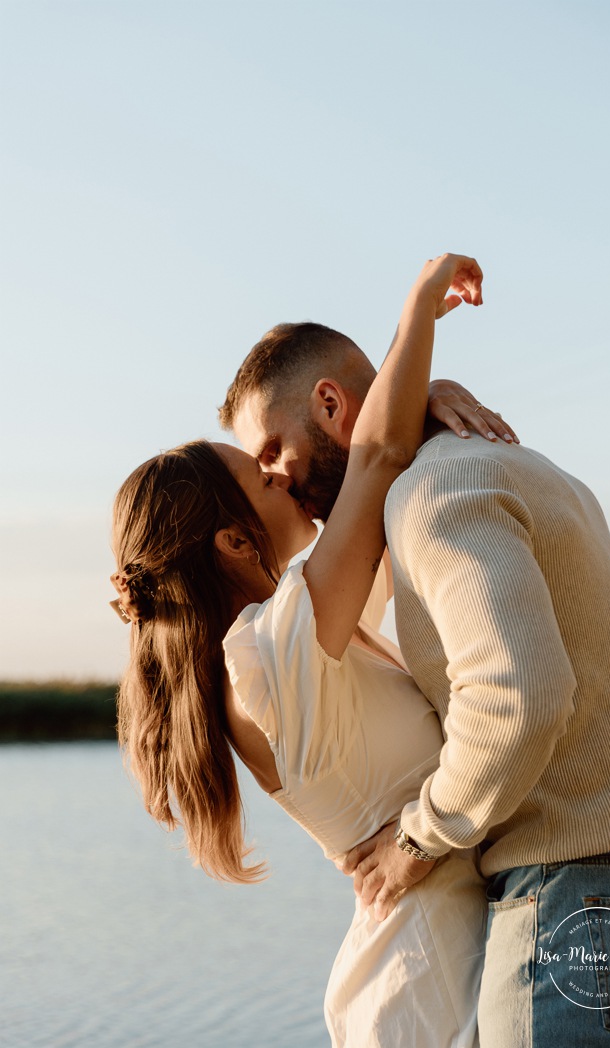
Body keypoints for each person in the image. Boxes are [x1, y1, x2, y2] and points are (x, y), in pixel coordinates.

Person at [220, 281, 610, 1046]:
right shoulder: (503, 464)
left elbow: (521, 697)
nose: (274, 475)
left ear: (330, 405)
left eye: (271, 448)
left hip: (581, 893)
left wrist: (418, 839)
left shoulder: (431, 496)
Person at [111, 254, 504, 1048]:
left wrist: (422, 406)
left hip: (446, 964)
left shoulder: (306, 638)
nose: (275, 472)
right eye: (256, 475)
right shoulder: (265, 659)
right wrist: (417, 315)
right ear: (231, 539)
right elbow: (374, 458)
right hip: (424, 992)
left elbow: (380, 492)